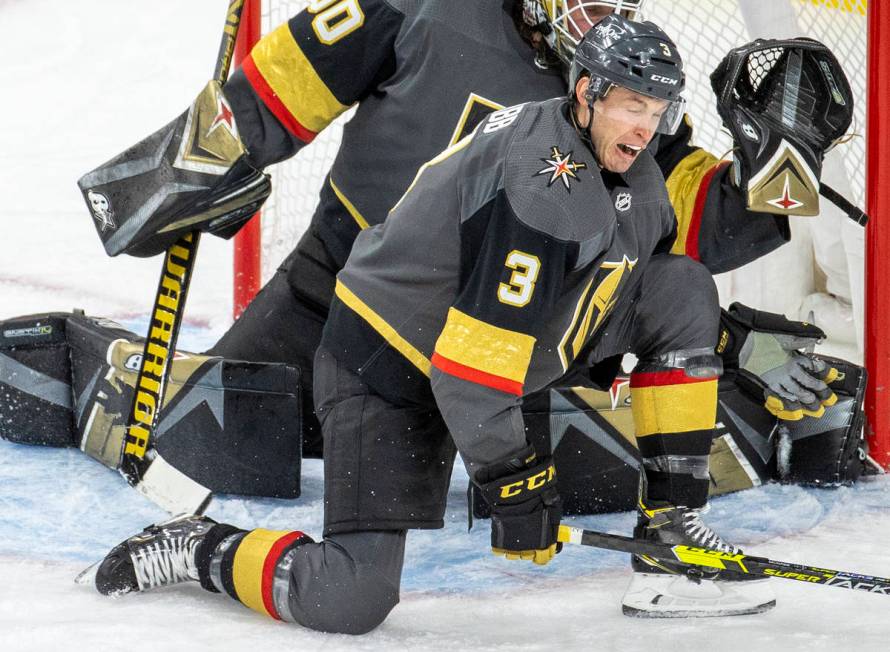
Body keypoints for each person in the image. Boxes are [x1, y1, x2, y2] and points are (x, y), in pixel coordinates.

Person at [83, 17, 777, 632]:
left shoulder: (633, 164)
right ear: (586, 92)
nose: (646, 127)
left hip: (490, 340)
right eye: (631, 105)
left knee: (682, 285)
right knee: (348, 598)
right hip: (388, 362)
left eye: (657, 109)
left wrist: (781, 169)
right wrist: (517, 481)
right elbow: (469, 373)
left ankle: (671, 534)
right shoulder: (541, 186)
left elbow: (655, 273)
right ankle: (194, 546)